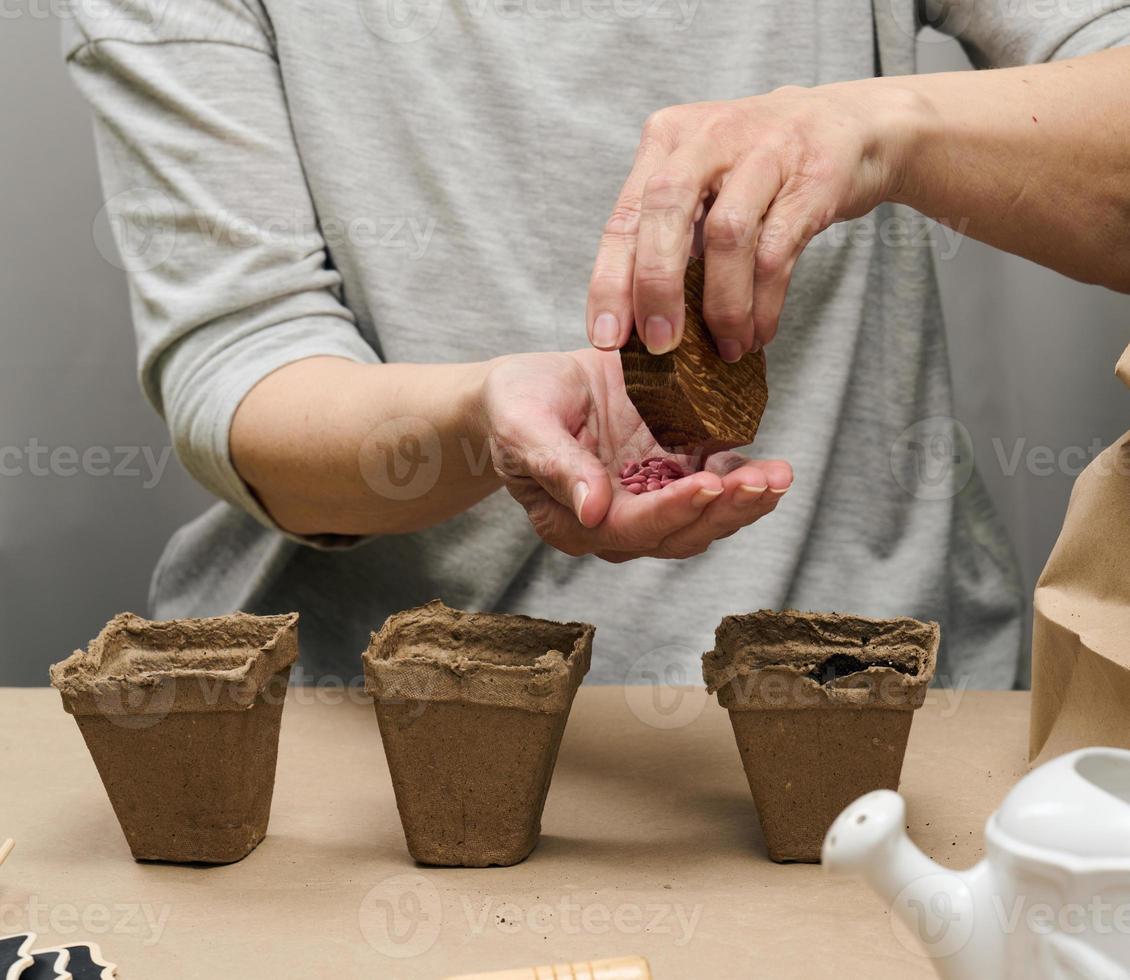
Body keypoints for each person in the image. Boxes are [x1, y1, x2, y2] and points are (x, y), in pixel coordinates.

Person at [64, 0, 1130, 685]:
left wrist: (879, 126)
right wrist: (478, 422)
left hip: (872, 717)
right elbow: (239, 361)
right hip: (364, 741)